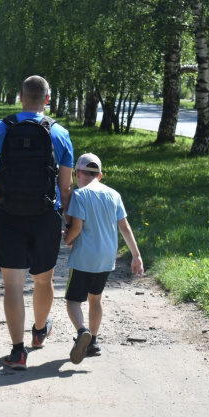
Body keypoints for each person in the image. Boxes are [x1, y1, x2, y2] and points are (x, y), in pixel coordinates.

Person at [0, 75, 75, 370]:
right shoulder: (59, 133)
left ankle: (18, 351)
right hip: (46, 215)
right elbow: (66, 185)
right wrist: (68, 219)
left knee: (13, 285)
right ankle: (39, 331)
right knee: (43, 279)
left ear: (21, 97)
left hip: (7, 215)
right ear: (47, 99)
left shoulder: (2, 127)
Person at [62, 153, 144, 364]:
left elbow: (77, 227)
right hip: (107, 258)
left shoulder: (80, 196)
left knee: (73, 301)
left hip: (84, 257)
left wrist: (66, 238)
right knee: (95, 298)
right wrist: (136, 255)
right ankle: (94, 342)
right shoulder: (114, 195)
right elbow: (124, 227)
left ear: (78, 174)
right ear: (100, 175)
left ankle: (82, 332)